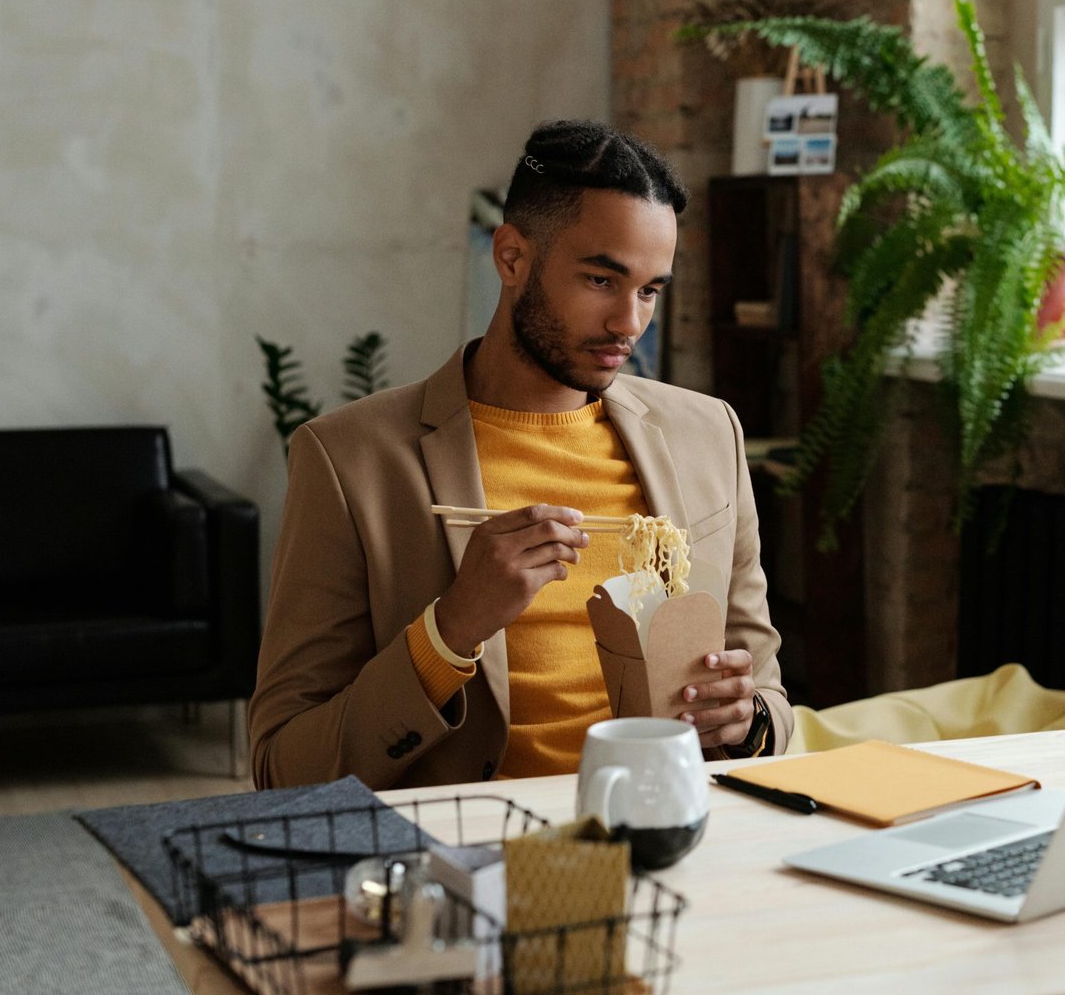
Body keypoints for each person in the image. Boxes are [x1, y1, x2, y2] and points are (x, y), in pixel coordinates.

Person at [250, 120, 791, 790]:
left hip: (672, 836)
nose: (630, 323)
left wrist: (748, 721)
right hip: (475, 851)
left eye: (650, 290)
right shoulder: (348, 461)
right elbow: (282, 767)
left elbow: (768, 698)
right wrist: (451, 628)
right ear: (511, 257)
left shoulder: (710, 435)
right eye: (601, 279)